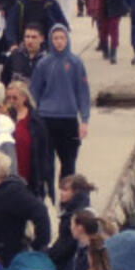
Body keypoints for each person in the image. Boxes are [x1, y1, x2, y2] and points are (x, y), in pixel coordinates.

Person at [29, 23, 90, 181]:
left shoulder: (76, 63)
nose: (59, 42)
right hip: (47, 118)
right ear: (50, 40)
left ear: (67, 39)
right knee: (46, 164)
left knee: (69, 163)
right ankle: (48, 193)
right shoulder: (43, 64)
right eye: (55, 38)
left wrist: (84, 120)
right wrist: (33, 117)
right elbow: (34, 92)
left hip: (69, 119)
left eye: (62, 38)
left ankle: (66, 193)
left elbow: (83, 93)